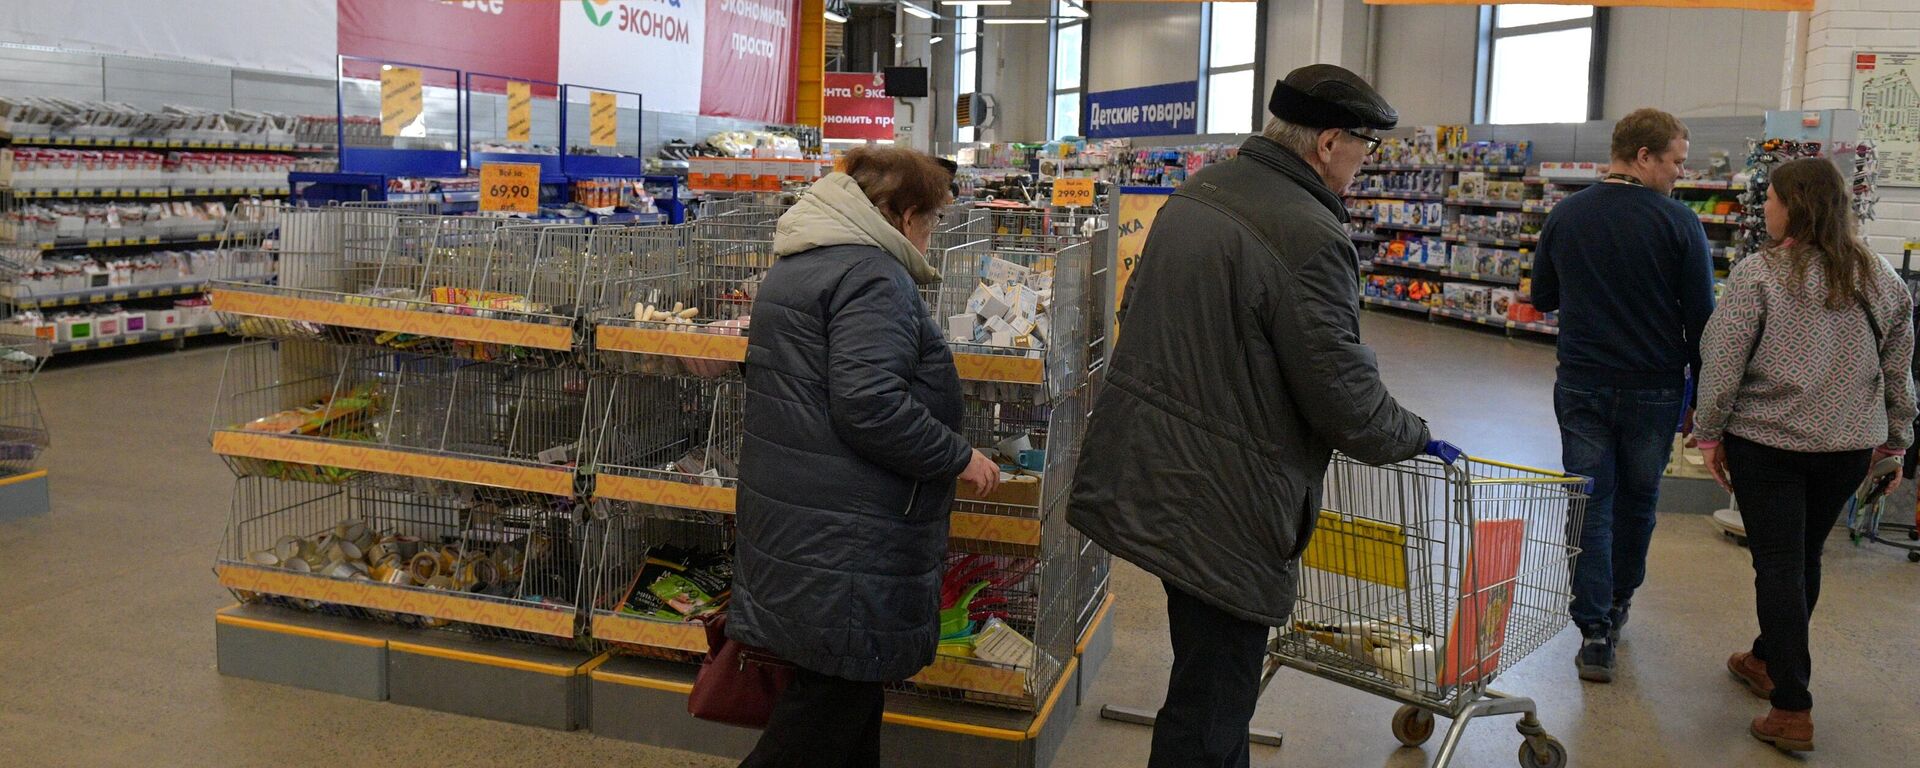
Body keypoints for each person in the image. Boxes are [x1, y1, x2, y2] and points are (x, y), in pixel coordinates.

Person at [1067, 64, 1450, 768]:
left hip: (1157, 466)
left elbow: (1137, 314)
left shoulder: (1199, 191)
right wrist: (1418, 436)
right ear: (1328, 142)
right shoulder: (1308, 234)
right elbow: (1345, 398)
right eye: (1366, 145)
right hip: (1227, 497)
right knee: (1212, 703)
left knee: (1211, 679)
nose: (1367, 163)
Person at [728, 146, 1002, 768]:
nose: (930, 237)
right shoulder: (873, 276)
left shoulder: (802, 262)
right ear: (902, 215)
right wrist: (957, 456)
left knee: (847, 705)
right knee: (824, 715)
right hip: (850, 536)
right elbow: (870, 403)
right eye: (930, 222)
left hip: (807, 521)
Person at [1692, 157, 1915, 753]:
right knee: (1802, 559)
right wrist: (1895, 445)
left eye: (1770, 196)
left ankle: (1792, 707)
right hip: (1846, 448)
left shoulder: (1761, 275)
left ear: (1798, 204)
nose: (1764, 206)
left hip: (1769, 443)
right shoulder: (1883, 278)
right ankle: (1768, 658)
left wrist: (1708, 433)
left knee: (1780, 565)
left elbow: (1723, 362)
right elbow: (1899, 374)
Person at [1530, 107, 1716, 683]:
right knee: (1638, 502)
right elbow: (1702, 320)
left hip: (1582, 382)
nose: (1677, 176)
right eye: (1674, 163)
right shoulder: (1680, 224)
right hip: (1655, 389)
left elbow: (1542, 299)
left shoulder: (1566, 215)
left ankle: (1592, 632)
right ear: (1643, 157)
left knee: (1588, 503)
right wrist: (1703, 403)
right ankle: (1617, 605)